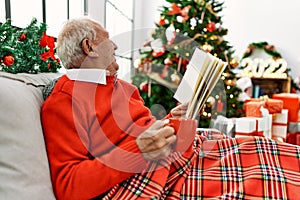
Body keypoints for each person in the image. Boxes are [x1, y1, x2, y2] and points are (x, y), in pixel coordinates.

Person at [42, 17, 300, 200]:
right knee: (267, 179)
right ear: (89, 47)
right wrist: (139, 150)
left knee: (263, 148)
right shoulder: (63, 102)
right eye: (108, 40)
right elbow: (68, 185)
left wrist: (169, 120)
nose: (116, 47)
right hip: (152, 173)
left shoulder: (121, 86)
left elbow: (141, 130)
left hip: (178, 151)